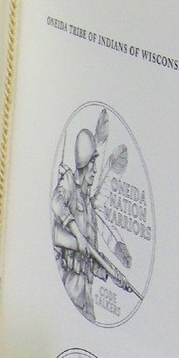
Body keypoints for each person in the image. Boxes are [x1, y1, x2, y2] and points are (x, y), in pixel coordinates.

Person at [52, 128, 135, 321]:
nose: (95, 170)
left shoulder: (89, 209)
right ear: (84, 163)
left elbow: (92, 257)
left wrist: (113, 275)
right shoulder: (69, 182)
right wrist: (77, 234)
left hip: (86, 297)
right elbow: (56, 202)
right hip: (70, 290)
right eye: (92, 163)